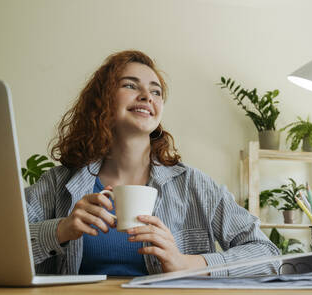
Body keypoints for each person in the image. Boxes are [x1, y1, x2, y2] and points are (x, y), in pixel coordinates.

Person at [25, 50, 280, 276]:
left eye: (156, 91)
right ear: (102, 100)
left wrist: (186, 263)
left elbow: (268, 254)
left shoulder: (194, 185)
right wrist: (61, 230)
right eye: (130, 86)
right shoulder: (58, 184)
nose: (147, 96)